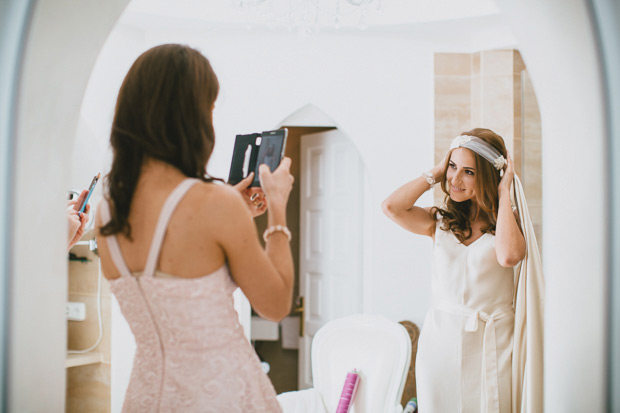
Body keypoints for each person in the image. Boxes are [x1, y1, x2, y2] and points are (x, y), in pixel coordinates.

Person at [95, 44, 294, 412]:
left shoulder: (107, 211)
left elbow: (177, 258)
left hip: (146, 397)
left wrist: (234, 212)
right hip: (222, 397)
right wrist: (277, 209)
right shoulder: (213, 203)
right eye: (210, 107)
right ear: (191, 116)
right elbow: (277, 305)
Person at [382, 128, 544, 412]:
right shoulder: (440, 223)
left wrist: (504, 190)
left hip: (491, 343)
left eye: (468, 171)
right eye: (453, 166)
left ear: (486, 176)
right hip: (440, 343)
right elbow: (392, 207)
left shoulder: (507, 224)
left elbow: (508, 256)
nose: (455, 179)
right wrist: (435, 172)